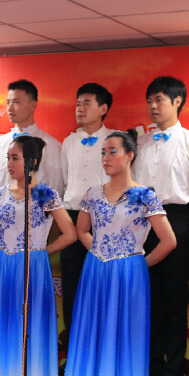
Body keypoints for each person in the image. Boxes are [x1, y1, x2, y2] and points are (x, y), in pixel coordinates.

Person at [54, 130, 176, 376]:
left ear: (130, 155)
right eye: (103, 152)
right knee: (91, 336)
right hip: (96, 272)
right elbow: (82, 230)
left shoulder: (145, 195)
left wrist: (136, 263)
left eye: (112, 151)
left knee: (123, 339)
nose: (106, 158)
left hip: (128, 276)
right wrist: (100, 252)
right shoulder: (93, 193)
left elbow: (169, 241)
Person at [0, 136, 76, 376]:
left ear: (32, 162)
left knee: (30, 330)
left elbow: (70, 234)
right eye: (8, 158)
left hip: (34, 269)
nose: (9, 164)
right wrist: (7, 249)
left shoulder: (46, 194)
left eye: (15, 158)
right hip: (5, 268)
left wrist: (40, 251)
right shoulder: (0, 194)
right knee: (5, 328)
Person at [131, 76, 189, 376]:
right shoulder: (140, 144)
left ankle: (172, 371)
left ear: (177, 102)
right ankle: (151, 367)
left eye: (160, 100)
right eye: (149, 100)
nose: (153, 106)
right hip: (142, 225)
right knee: (147, 297)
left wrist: (178, 221)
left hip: (177, 220)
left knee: (175, 299)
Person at [59, 83, 115, 360]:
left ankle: (101, 355)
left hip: (103, 220)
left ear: (103, 109)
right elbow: (64, 181)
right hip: (71, 219)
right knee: (72, 287)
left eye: (87, 103)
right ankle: (74, 356)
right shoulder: (68, 142)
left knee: (102, 287)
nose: (79, 109)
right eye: (78, 103)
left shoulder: (115, 141)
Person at [0, 79, 63, 193]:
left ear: (33, 105)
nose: (10, 108)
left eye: (16, 102)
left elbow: (55, 188)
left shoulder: (50, 145)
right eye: (8, 102)